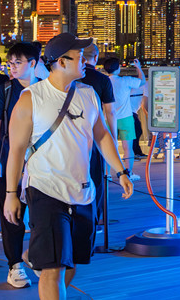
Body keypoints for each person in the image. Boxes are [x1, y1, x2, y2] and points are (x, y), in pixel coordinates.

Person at [3, 33, 133, 300]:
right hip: (45, 190)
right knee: (53, 270)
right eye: (80, 57)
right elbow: (15, 150)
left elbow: (102, 135)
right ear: (61, 61)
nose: (86, 62)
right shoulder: (31, 99)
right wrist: (11, 195)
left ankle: (38, 257)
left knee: (71, 263)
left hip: (83, 191)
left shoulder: (88, 94)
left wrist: (121, 172)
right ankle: (43, 261)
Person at [0, 41, 43, 289]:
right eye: (10, 63)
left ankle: (37, 257)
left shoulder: (46, 90)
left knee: (44, 213)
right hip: (13, 161)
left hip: (43, 163)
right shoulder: (5, 90)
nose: (12, 67)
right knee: (12, 214)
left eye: (17, 63)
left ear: (33, 63)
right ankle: (14, 265)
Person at [80, 43, 115, 229]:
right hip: (95, 136)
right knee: (97, 178)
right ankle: (96, 219)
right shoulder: (102, 80)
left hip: (74, 137)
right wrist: (113, 139)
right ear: (95, 58)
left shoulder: (70, 78)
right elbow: (110, 113)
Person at [105, 58, 144, 180]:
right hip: (126, 118)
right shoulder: (125, 81)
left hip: (108, 118)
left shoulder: (105, 82)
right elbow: (142, 82)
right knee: (128, 148)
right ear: (118, 68)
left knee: (108, 147)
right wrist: (138, 67)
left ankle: (107, 174)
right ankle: (129, 173)